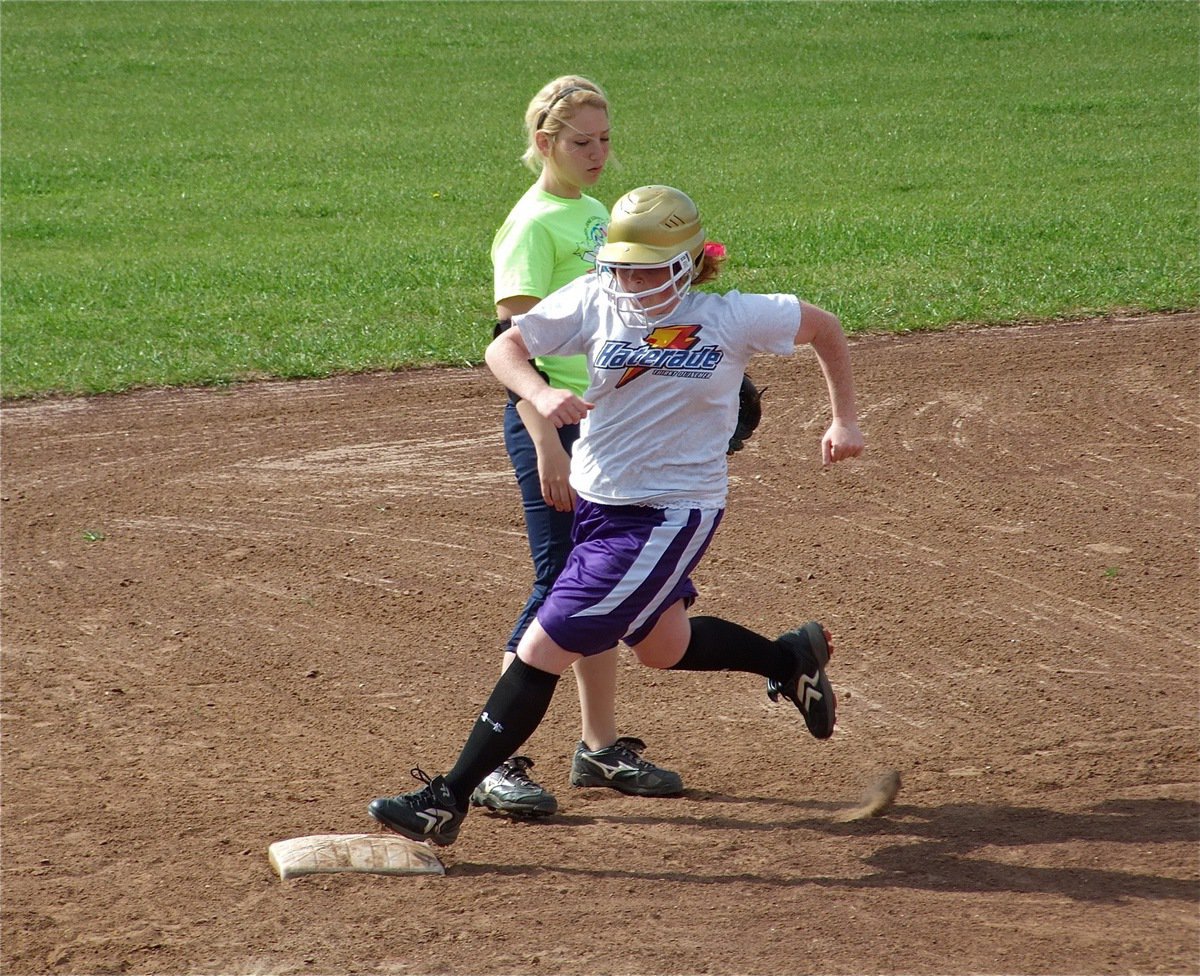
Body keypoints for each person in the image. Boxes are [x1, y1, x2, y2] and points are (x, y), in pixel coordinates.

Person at [369, 184, 865, 847]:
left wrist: (844, 419)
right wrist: (541, 392)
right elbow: (504, 348)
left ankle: (446, 797)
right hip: (600, 505)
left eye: (649, 267)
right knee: (663, 647)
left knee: (543, 646)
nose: (632, 280)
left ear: (690, 263)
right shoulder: (592, 301)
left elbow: (826, 327)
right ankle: (787, 658)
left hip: (667, 514)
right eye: (622, 264)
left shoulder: (733, 317)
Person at [473, 76, 683, 820]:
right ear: (544, 145)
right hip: (549, 425)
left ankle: (598, 746)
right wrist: (546, 446)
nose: (598, 154)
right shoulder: (533, 226)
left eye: (604, 139)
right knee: (558, 582)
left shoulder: (597, 213)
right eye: (580, 142)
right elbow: (513, 350)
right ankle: (496, 765)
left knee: (599, 584)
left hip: (601, 425)